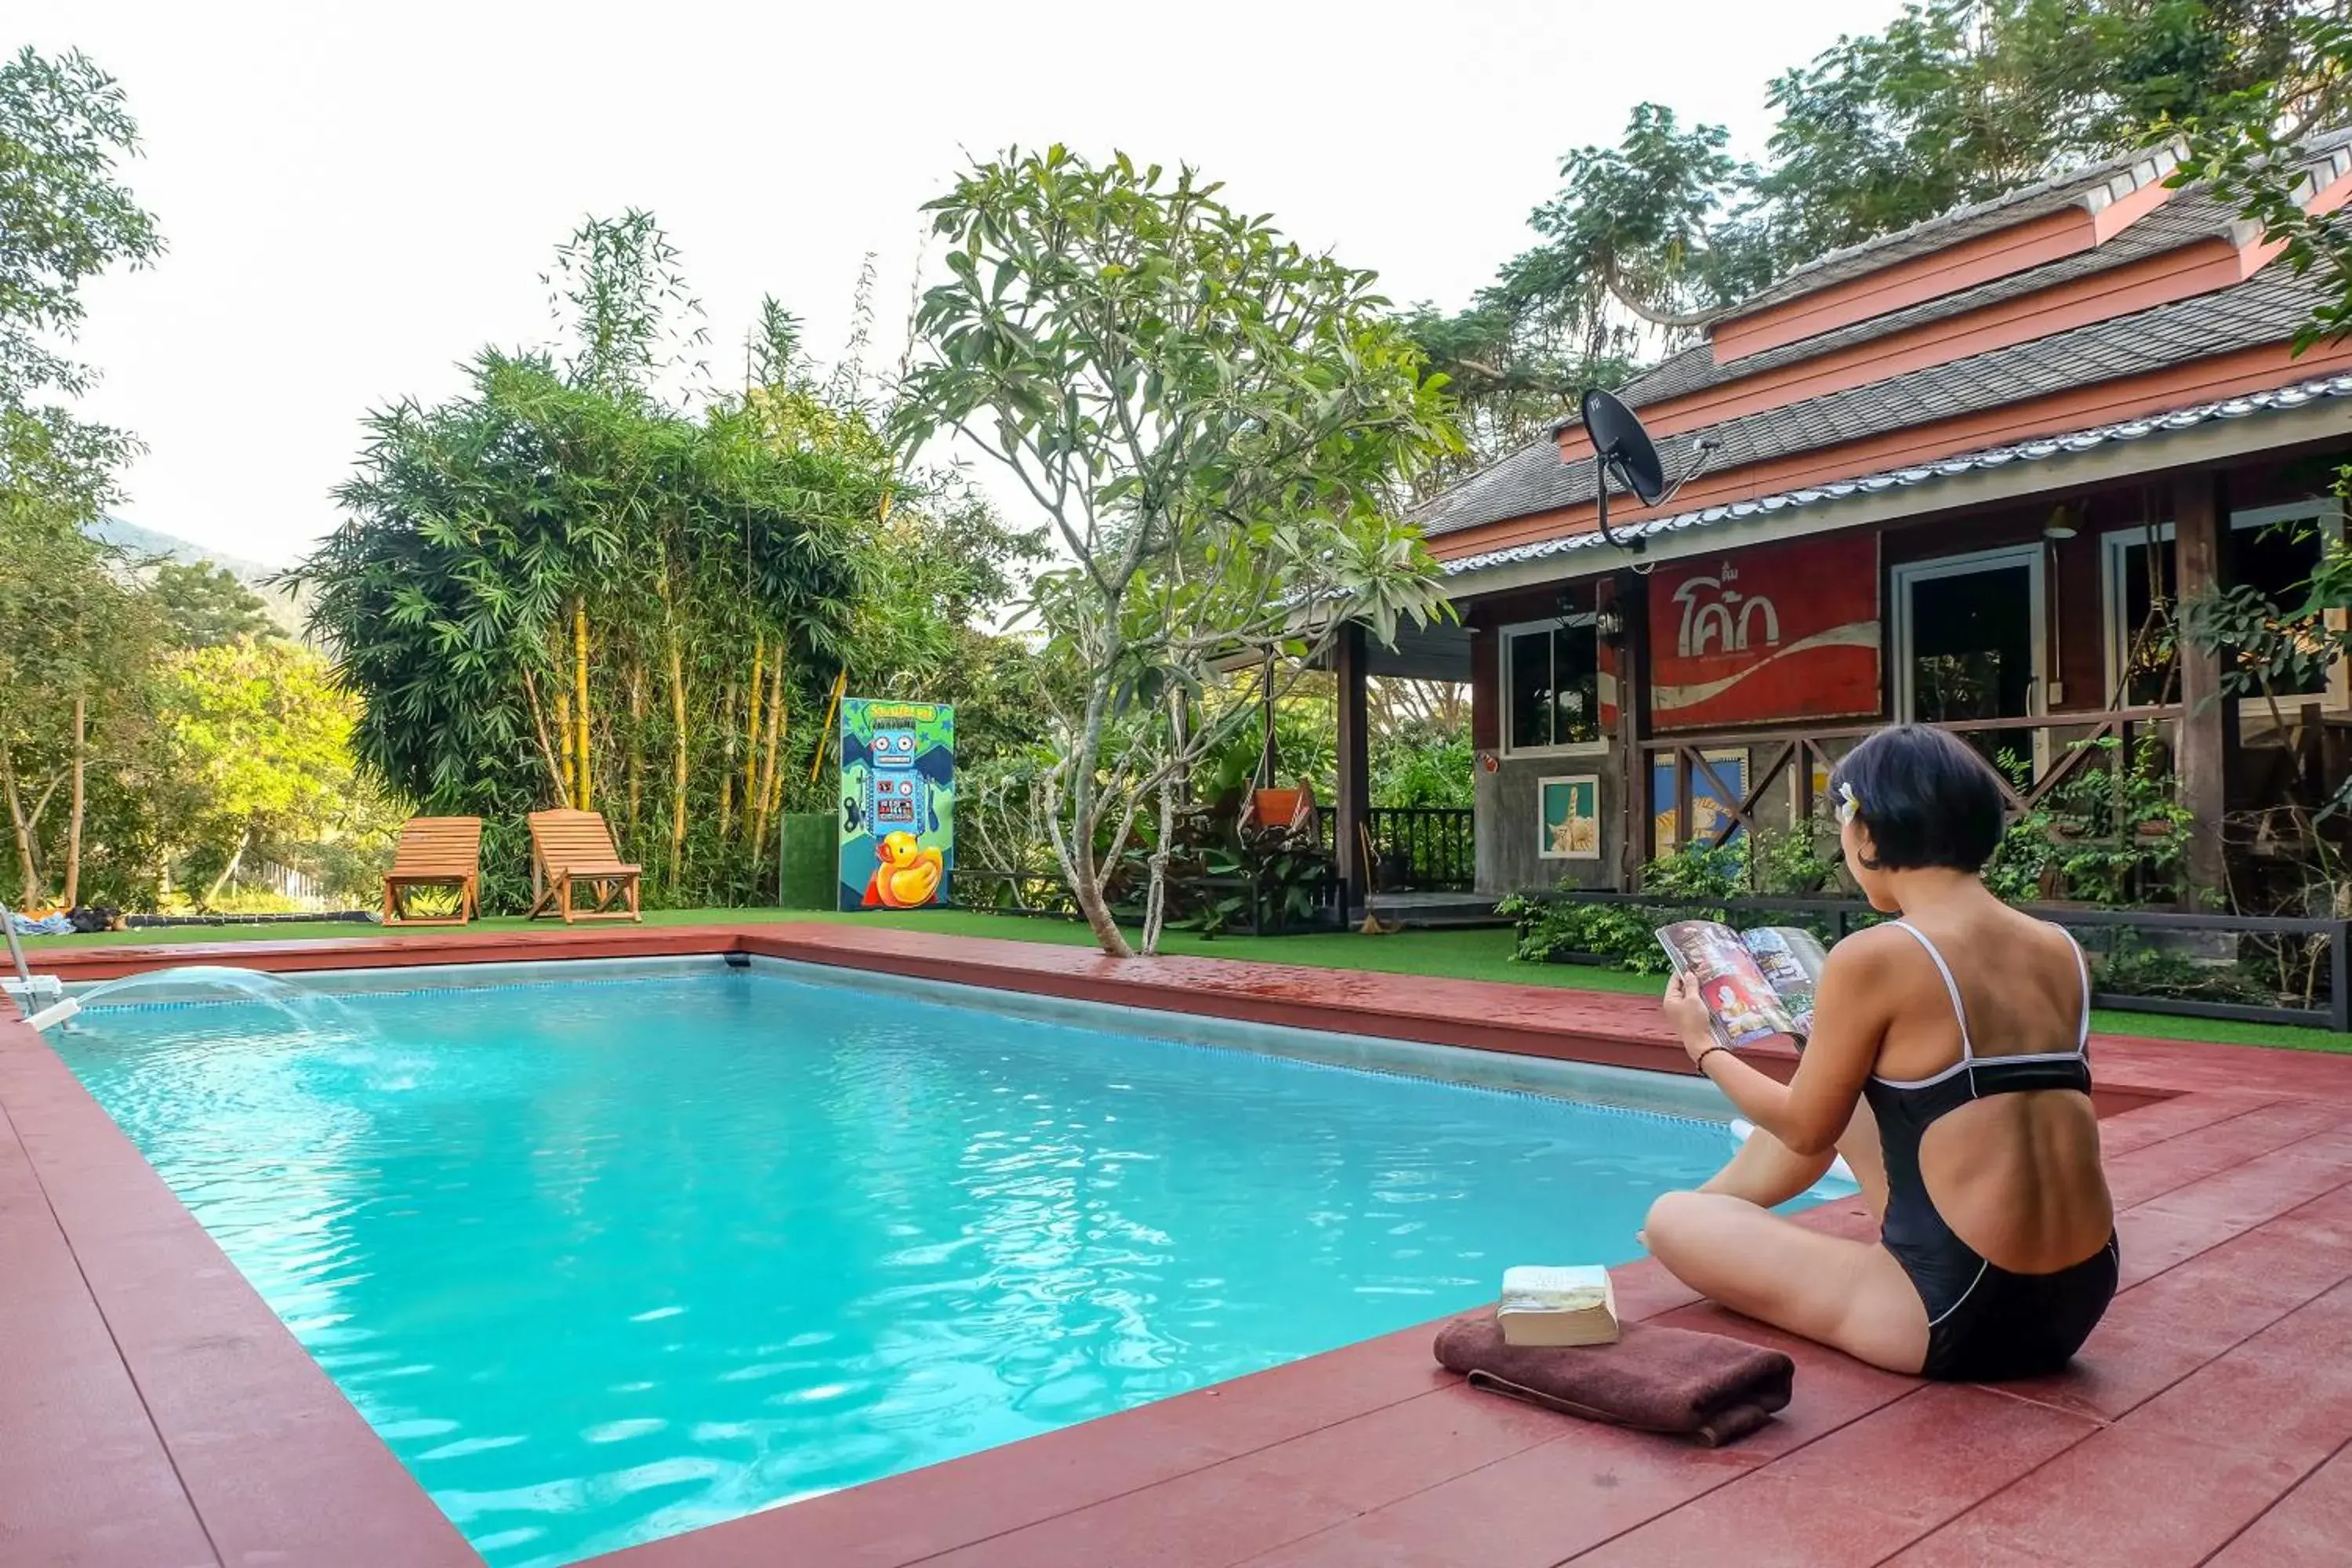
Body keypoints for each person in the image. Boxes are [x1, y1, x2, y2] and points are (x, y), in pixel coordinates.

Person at [1643, 724, 2117, 1381]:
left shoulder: (1877, 954)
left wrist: (1703, 1045)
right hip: (2079, 1297)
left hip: (1950, 1313)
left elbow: (1809, 1130)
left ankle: (1704, 1212)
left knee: (1670, 1221)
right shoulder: (2061, 949)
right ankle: (1719, 1203)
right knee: (1852, 1094)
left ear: (1865, 833)